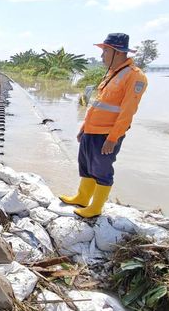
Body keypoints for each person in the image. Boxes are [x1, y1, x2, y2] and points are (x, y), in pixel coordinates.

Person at [60, 33, 148, 218]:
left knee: (101, 170)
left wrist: (113, 138)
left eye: (105, 51)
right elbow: (98, 104)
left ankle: (95, 208)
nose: (102, 56)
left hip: (106, 134)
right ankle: (82, 198)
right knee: (86, 166)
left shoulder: (135, 77)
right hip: (92, 131)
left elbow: (127, 112)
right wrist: (84, 127)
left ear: (117, 52)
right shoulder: (112, 73)